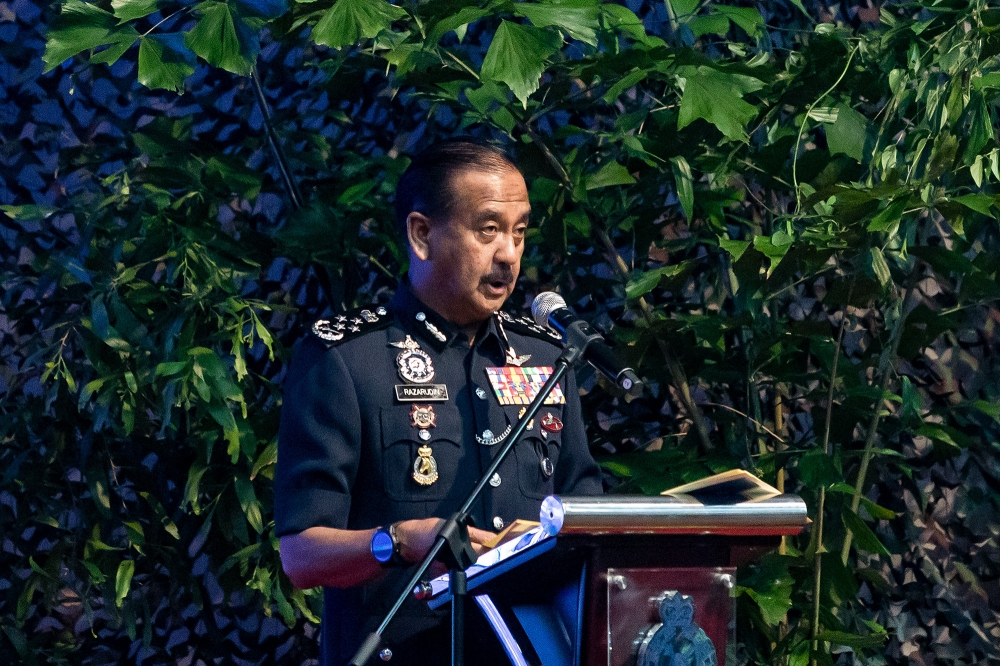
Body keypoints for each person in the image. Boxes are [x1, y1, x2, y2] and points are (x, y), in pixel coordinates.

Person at [274, 139, 603, 665]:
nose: (510, 254)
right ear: (422, 235)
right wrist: (399, 542)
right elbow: (301, 556)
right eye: (489, 229)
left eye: (520, 233)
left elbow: (585, 514)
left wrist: (551, 532)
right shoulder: (346, 360)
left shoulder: (547, 358)